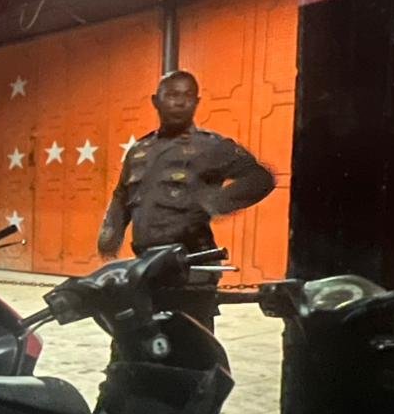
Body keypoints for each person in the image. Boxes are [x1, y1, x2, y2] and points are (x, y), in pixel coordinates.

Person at [98, 69, 276, 331]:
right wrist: (111, 231)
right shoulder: (139, 150)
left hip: (192, 267)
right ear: (155, 101)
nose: (180, 102)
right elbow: (122, 194)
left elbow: (260, 178)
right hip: (145, 265)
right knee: (137, 340)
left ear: (197, 102)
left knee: (190, 341)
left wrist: (217, 202)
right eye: (172, 95)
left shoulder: (211, 146)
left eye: (188, 96)